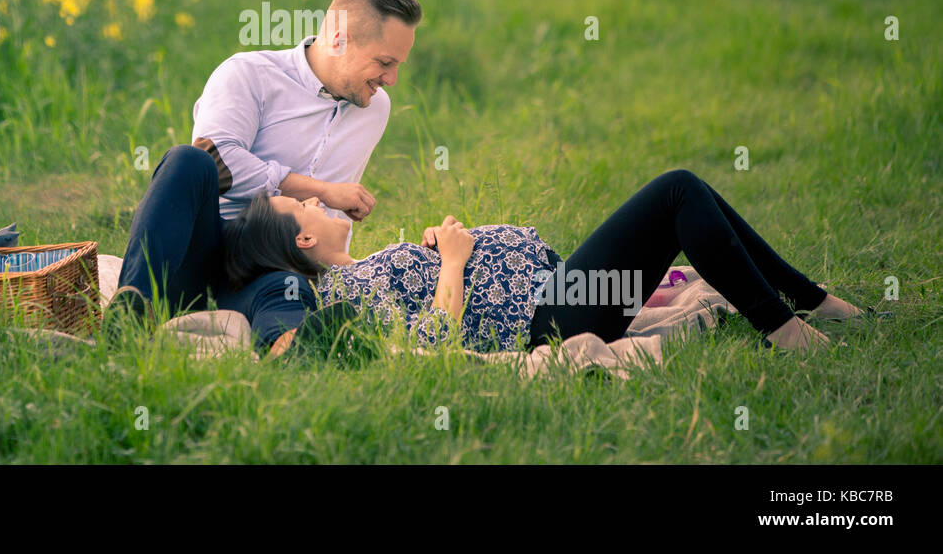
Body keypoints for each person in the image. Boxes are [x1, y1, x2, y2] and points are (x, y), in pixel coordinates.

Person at [223, 169, 865, 357]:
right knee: (678, 193)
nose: (311, 198)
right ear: (300, 241)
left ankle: (809, 303)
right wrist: (451, 261)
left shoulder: (359, 270)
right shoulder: (343, 294)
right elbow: (431, 340)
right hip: (550, 316)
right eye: (296, 204)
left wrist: (434, 253)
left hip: (557, 292)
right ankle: (787, 326)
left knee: (688, 198)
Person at [109, 0, 422, 348]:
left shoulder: (372, 107)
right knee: (188, 161)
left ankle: (290, 349)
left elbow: (328, 222)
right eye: (384, 62)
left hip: (276, 273)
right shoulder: (249, 74)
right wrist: (320, 189)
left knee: (288, 288)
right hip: (203, 253)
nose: (392, 78)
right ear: (338, 39)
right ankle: (128, 315)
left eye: (398, 64)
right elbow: (216, 156)